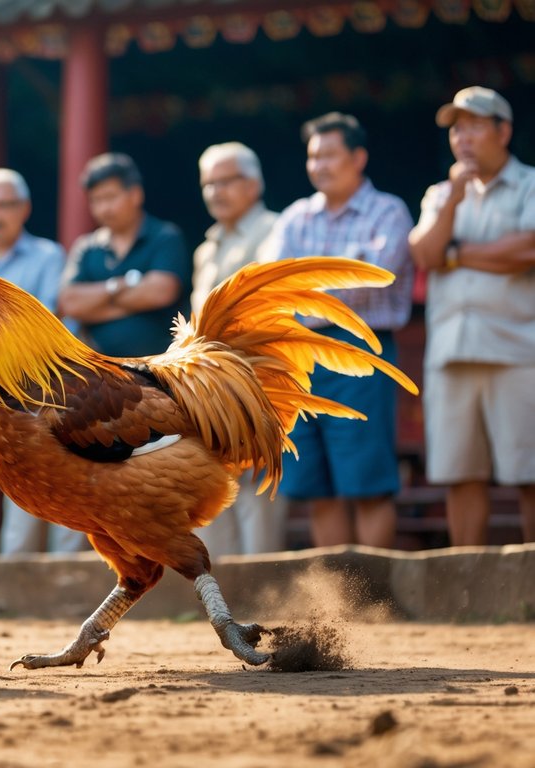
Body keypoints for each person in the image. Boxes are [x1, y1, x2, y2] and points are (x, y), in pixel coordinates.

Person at [261, 112, 415, 549]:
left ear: (358, 157)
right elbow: (271, 283)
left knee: (367, 480)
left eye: (330, 155)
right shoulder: (294, 217)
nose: (320, 165)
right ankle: (341, 600)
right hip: (301, 356)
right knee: (317, 486)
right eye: (313, 157)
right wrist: (327, 287)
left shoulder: (388, 211)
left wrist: (304, 288)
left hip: (361, 351)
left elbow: (374, 276)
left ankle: (376, 598)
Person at [407, 86, 535, 545]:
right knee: (459, 474)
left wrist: (456, 254)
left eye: (475, 126)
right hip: (451, 352)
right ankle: (469, 585)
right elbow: (423, 252)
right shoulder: (441, 194)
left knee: (530, 474)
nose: (463, 138)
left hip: (518, 350)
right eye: (457, 129)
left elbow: (528, 248)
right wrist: (453, 203)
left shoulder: (530, 184)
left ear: (504, 131)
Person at [0, 168, 88, 556]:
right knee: (13, 484)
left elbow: (48, 319)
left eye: (4, 205)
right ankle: (12, 580)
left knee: (62, 476)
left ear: (25, 209)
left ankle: (63, 570)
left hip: (42, 387)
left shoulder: (47, 255)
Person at [190, 143, 289, 556]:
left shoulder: (278, 230)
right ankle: (226, 596)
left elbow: (270, 308)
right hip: (211, 387)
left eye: (225, 181)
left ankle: (263, 591)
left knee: (258, 482)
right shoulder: (206, 248)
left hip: (259, 377)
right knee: (214, 481)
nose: (215, 191)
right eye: (208, 183)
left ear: (254, 183)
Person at [59, 152, 192, 358]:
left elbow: (161, 292)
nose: (104, 208)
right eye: (96, 200)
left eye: (110, 197)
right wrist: (121, 287)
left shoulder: (165, 237)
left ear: (136, 194)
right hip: (98, 372)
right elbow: (69, 303)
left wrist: (94, 309)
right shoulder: (86, 247)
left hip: (160, 367)